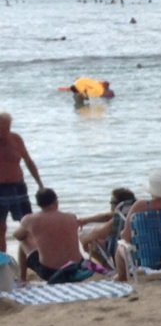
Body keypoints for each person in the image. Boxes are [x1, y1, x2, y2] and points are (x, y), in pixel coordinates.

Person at [14, 189, 92, 283]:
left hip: (50, 272)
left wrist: (31, 232)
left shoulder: (30, 219)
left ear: (38, 204)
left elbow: (18, 236)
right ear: (56, 201)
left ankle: (22, 278)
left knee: (24, 240)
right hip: (78, 266)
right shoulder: (71, 216)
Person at [0, 111, 43, 267]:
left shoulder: (16, 139)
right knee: (1, 230)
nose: (4, 132)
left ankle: (30, 265)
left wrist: (40, 184)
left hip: (18, 187)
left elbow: (28, 161)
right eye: (1, 128)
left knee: (28, 228)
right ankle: (3, 266)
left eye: (6, 128)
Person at [78, 186, 137, 271]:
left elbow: (100, 232)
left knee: (91, 241)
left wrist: (84, 238)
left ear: (118, 204)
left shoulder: (118, 219)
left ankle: (107, 267)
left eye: (112, 202)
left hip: (122, 251)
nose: (110, 204)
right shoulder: (135, 213)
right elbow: (107, 216)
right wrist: (86, 220)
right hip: (136, 250)